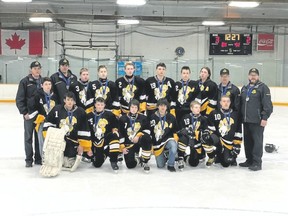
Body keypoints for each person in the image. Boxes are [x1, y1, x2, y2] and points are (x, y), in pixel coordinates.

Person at [43, 91, 92, 170]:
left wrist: (82, 145)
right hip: (59, 140)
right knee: (56, 160)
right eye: (68, 100)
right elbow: (48, 122)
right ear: (64, 100)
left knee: (68, 163)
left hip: (73, 141)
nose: (70, 102)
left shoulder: (80, 111)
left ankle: (74, 155)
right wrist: (52, 137)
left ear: (74, 101)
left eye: (71, 100)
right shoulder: (57, 109)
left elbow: (84, 128)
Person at [239, 68, 273, 171]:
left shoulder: (263, 88)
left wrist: (264, 117)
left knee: (257, 142)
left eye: (255, 75)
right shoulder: (244, 88)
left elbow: (268, 105)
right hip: (246, 120)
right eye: (251, 75)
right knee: (248, 142)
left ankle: (257, 162)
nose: (253, 76)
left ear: (258, 76)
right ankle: (249, 160)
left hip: (257, 121)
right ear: (248, 76)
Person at [16, 61, 43, 167]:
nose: (37, 70)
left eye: (39, 68)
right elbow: (19, 99)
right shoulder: (25, 82)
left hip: (40, 115)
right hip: (29, 115)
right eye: (35, 68)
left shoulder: (43, 81)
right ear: (30, 69)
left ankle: (38, 158)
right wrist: (24, 112)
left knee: (39, 137)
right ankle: (28, 159)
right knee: (28, 137)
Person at [28, 77, 59, 159]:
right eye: (46, 84)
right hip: (42, 122)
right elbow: (33, 107)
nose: (48, 86)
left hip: (52, 123)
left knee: (52, 141)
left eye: (49, 84)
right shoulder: (37, 96)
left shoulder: (55, 96)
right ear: (42, 85)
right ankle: (43, 158)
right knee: (41, 139)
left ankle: (52, 158)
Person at [86, 97, 120, 172]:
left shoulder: (110, 114)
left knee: (114, 136)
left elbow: (115, 125)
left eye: (101, 105)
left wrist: (115, 129)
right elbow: (87, 132)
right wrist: (88, 148)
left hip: (106, 138)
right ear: (95, 105)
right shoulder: (88, 116)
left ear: (104, 105)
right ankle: (106, 152)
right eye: (98, 104)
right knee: (97, 164)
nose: (99, 106)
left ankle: (114, 161)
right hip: (94, 141)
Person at [207, 95, 242, 167]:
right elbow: (210, 129)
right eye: (224, 101)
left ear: (230, 103)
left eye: (228, 101)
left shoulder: (235, 114)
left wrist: (237, 144)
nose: (226, 103)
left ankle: (228, 155)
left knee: (226, 163)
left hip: (229, 142)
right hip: (219, 140)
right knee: (206, 138)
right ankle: (214, 155)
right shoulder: (214, 113)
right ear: (220, 102)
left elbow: (238, 130)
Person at [118, 99, 152, 172]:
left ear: (138, 108)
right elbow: (121, 133)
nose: (133, 109)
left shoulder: (143, 118)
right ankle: (138, 158)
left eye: (135, 107)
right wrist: (122, 147)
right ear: (129, 107)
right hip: (129, 143)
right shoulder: (122, 118)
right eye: (132, 107)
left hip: (139, 140)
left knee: (147, 138)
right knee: (130, 165)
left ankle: (145, 161)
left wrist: (138, 135)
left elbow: (148, 131)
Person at [177, 101, 208, 168]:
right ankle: (181, 157)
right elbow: (180, 131)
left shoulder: (203, 119)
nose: (198, 109)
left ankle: (194, 156)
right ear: (191, 108)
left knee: (193, 163)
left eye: (199, 107)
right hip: (188, 139)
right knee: (182, 139)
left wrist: (198, 133)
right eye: (196, 107)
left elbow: (205, 132)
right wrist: (186, 131)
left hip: (197, 141)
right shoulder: (185, 117)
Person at [150, 98, 178, 172]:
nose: (163, 107)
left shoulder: (171, 117)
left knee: (173, 146)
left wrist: (175, 139)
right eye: (161, 105)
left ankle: (171, 164)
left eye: (165, 106)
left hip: (168, 140)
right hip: (157, 142)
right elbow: (149, 132)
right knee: (160, 165)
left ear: (167, 107)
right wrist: (151, 145)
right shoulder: (152, 117)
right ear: (158, 106)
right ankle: (165, 154)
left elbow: (175, 130)